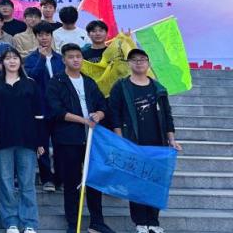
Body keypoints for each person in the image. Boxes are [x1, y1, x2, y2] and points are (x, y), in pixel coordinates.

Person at [107, 49, 180, 233]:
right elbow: (114, 113)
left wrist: (172, 139)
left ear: (148, 63)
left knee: (155, 182)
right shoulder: (121, 86)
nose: (138, 62)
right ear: (128, 63)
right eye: (134, 60)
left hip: (157, 144)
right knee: (136, 182)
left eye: (142, 59)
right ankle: (140, 222)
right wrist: (119, 139)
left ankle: (153, 222)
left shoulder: (158, 88)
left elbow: (167, 115)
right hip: (133, 142)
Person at [47, 44, 112, 233]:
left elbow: (102, 105)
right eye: (71, 57)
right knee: (71, 182)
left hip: (91, 139)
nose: (76, 60)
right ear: (64, 60)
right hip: (68, 138)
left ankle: (97, 222)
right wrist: (83, 120)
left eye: (78, 56)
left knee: (94, 180)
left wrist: (99, 115)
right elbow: (56, 111)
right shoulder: (57, 81)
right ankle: (73, 223)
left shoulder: (89, 82)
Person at [0, 48, 42, 233]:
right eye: (8, 58)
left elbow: (38, 114)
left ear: (20, 61)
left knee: (27, 183)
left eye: (15, 58)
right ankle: (10, 221)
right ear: (2, 62)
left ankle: (29, 223)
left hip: (27, 139)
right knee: (5, 182)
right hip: (3, 139)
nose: (12, 61)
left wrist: (40, 142)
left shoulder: (31, 83)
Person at [25, 22, 64, 193]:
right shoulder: (31, 59)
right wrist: (41, 59)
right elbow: (31, 78)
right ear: (36, 37)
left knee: (61, 144)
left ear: (51, 36)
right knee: (42, 146)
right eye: (40, 35)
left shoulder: (60, 58)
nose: (44, 38)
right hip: (40, 108)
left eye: (47, 34)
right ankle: (47, 178)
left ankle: (61, 178)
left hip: (59, 108)